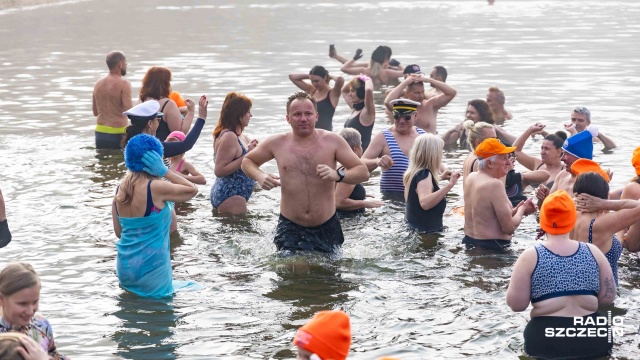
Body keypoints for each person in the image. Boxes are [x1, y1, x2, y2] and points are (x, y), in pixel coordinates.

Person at [242, 92, 369, 253]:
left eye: (308, 114)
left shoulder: (333, 141)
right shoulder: (277, 142)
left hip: (327, 225)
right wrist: (260, 176)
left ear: (316, 116)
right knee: (291, 271)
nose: (303, 118)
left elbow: (363, 171)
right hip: (290, 225)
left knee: (328, 275)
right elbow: (247, 161)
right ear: (288, 118)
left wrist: (338, 175)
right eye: (297, 114)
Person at [506, 190, 616, 360]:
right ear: (572, 220)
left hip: (546, 339)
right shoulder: (593, 252)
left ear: (543, 221)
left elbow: (517, 305)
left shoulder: (530, 256)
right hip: (594, 336)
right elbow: (608, 297)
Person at [112, 134, 199, 298]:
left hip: (125, 268)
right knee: (163, 318)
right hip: (152, 269)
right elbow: (192, 190)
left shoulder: (120, 189)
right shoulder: (155, 187)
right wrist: (165, 171)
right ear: (156, 160)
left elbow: (119, 232)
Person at [463, 138, 536, 249]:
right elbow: (508, 228)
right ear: (490, 163)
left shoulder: (471, 177)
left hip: (469, 243)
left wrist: (515, 210)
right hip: (492, 248)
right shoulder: (494, 184)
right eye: (504, 158)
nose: (508, 162)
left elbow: (487, 216)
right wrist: (522, 210)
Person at [0, 263, 68, 359]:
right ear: (1, 299)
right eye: (22, 304)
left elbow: (54, 354)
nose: (30, 311)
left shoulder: (41, 324)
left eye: (35, 302)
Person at [362, 99, 427, 198]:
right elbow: (361, 163)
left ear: (416, 116)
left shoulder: (423, 136)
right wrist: (377, 161)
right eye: (397, 117)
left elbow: (435, 162)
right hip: (392, 198)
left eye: (406, 117)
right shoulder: (383, 137)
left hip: (418, 197)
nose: (401, 121)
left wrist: (445, 173)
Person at [211, 92, 258, 214]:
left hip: (233, 195)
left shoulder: (238, 135)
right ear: (239, 115)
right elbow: (219, 170)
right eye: (248, 112)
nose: (251, 115)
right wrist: (247, 155)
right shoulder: (229, 137)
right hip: (231, 196)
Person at [403, 134, 460, 232]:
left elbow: (417, 191)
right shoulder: (424, 174)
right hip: (426, 235)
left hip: (412, 229)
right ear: (433, 154)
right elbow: (425, 203)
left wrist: (439, 178)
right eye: (440, 152)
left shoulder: (413, 172)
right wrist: (450, 185)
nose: (441, 155)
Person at [121, 96, 208, 158]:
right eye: (158, 120)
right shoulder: (150, 145)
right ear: (150, 124)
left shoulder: (135, 141)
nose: (159, 123)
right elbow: (185, 145)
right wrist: (201, 119)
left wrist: (165, 143)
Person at [535, 129, 595, 204]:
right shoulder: (562, 175)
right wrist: (543, 198)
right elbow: (546, 210)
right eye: (562, 154)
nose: (562, 158)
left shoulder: (592, 182)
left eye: (566, 154)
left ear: (579, 157)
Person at [384, 73, 457, 134]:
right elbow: (387, 102)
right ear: (407, 93)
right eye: (417, 93)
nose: (421, 95)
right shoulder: (402, 107)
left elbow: (452, 93)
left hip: (429, 146)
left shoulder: (431, 105)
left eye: (422, 92)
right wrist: (405, 82)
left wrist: (428, 80)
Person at [139, 66, 195, 141]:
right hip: (163, 150)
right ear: (165, 84)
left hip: (143, 148)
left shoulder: (140, 101)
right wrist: (191, 112)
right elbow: (179, 134)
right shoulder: (168, 104)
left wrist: (178, 111)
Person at [335, 128, 384, 215]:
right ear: (356, 149)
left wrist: (360, 194)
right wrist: (366, 203)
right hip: (347, 219)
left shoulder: (339, 167)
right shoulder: (350, 170)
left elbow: (336, 193)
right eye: (360, 145)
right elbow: (339, 202)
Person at [92, 50, 133, 149]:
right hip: (118, 133)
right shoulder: (124, 84)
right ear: (120, 64)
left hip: (100, 132)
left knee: (102, 162)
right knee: (119, 162)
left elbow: (95, 112)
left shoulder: (98, 83)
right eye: (125, 62)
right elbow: (130, 112)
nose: (126, 65)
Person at [288, 66, 344, 131]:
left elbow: (340, 79)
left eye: (317, 81)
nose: (314, 84)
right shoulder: (312, 90)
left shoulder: (333, 94)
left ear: (325, 78)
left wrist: (329, 76)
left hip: (325, 133)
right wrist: (311, 76)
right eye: (312, 81)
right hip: (310, 132)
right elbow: (292, 77)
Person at [512, 123, 566, 188]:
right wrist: (530, 130)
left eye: (546, 149)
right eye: (542, 148)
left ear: (558, 152)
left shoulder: (565, 170)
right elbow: (515, 151)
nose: (542, 152)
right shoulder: (537, 164)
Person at [337, 46, 404, 87]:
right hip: (383, 93)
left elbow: (344, 68)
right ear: (386, 60)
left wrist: (354, 58)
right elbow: (407, 72)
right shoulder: (387, 72)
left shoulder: (364, 70)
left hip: (368, 94)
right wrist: (398, 64)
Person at [342, 75, 375, 150]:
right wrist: (356, 78)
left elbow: (369, 90)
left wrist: (367, 79)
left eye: (352, 91)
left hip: (361, 156)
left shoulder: (367, 112)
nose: (349, 94)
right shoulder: (354, 108)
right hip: (350, 155)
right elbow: (343, 91)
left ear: (361, 92)